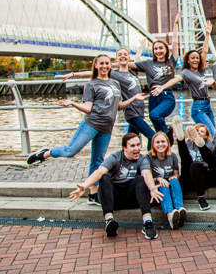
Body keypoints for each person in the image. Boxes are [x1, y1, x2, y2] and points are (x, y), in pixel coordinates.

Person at [27, 54, 148, 206]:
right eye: (101, 64)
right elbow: (88, 108)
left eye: (107, 63)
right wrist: (72, 103)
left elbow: (119, 106)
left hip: (107, 127)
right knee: (71, 151)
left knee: (97, 160)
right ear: (96, 65)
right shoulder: (91, 85)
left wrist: (134, 98)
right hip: (91, 124)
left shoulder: (115, 83)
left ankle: (93, 194)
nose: (105, 66)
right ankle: (45, 153)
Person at [57, 47, 159, 150]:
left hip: (140, 111)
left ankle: (125, 162)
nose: (123, 56)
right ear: (116, 59)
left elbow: (137, 59)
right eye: (119, 55)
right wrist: (73, 74)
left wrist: (140, 48)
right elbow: (93, 72)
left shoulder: (133, 72)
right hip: (132, 112)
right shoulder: (115, 74)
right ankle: (152, 159)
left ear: (129, 57)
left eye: (125, 54)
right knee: (152, 136)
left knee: (130, 142)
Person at [68, 133, 159, 239]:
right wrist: (84, 186)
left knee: (140, 179)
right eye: (133, 146)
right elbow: (99, 172)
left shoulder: (142, 159)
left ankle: (147, 222)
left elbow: (146, 173)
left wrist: (152, 188)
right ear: (124, 148)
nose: (137, 148)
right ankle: (109, 221)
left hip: (133, 198)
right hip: (114, 199)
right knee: (105, 177)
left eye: (138, 145)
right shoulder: (115, 157)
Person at [154, 23, 216, 136]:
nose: (196, 60)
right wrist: (162, 87)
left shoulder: (201, 70)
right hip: (198, 107)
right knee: (211, 133)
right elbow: (175, 79)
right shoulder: (186, 72)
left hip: (207, 104)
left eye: (197, 58)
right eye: (193, 58)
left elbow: (205, 51)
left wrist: (207, 34)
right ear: (188, 60)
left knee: (212, 135)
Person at [133, 13, 180, 135]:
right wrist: (141, 48)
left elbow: (175, 43)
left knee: (154, 115)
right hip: (153, 97)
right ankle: (162, 143)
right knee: (156, 126)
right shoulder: (148, 63)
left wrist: (175, 25)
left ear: (166, 50)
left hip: (166, 96)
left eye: (161, 48)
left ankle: (168, 133)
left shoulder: (171, 62)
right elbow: (134, 63)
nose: (158, 51)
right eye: (155, 49)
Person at [142, 131, 186, 230]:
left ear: (167, 143)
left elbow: (176, 173)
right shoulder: (148, 158)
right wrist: (158, 178)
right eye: (157, 142)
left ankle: (180, 209)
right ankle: (170, 215)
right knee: (162, 184)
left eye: (163, 141)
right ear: (153, 144)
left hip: (171, 186)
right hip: (157, 189)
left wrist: (174, 177)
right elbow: (145, 176)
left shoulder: (173, 156)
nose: (160, 144)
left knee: (174, 181)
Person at [172, 116, 215, 211]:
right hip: (188, 176)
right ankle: (180, 138)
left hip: (203, 177)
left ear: (206, 136)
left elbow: (211, 163)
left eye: (202, 131)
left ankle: (201, 197)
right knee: (186, 159)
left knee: (195, 165)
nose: (199, 132)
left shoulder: (210, 146)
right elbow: (185, 160)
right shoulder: (189, 144)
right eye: (197, 131)